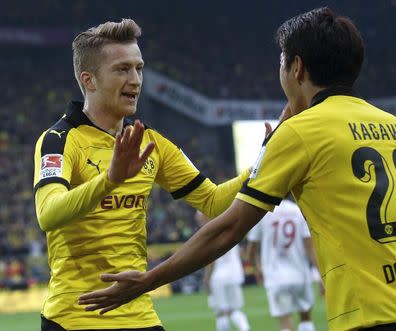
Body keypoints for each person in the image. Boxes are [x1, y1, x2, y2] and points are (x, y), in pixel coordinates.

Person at [78, 8, 396, 331]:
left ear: (297, 67)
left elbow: (228, 228)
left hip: (375, 313)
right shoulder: (391, 125)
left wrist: (147, 281)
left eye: (282, 62)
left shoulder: (301, 132)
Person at [33, 19, 251, 331]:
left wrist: (264, 163)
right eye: (122, 69)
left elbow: (213, 202)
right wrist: (110, 179)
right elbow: (48, 214)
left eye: (139, 68)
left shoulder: (150, 142)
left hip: (140, 314)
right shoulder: (59, 140)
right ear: (89, 80)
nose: (135, 80)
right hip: (75, 318)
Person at [247, 199, 320, 331]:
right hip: (300, 275)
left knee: (285, 320)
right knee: (306, 317)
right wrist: (320, 274)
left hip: (275, 277)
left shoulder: (263, 212)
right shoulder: (297, 210)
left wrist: (257, 269)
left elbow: (251, 250)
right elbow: (310, 247)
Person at [196, 211, 251, 331]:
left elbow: (211, 261)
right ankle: (245, 328)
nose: (199, 221)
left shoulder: (209, 234)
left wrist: (207, 279)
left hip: (218, 277)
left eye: (200, 218)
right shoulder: (228, 229)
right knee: (235, 310)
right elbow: (241, 253)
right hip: (235, 274)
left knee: (221, 312)